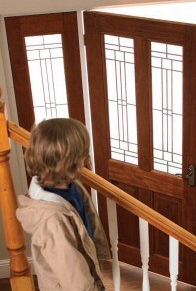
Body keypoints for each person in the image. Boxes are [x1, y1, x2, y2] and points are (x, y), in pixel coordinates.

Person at [17, 118, 111, 291]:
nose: (87, 157)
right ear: (69, 162)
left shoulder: (71, 185)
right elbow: (72, 274)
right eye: (83, 154)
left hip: (85, 269)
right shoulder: (53, 220)